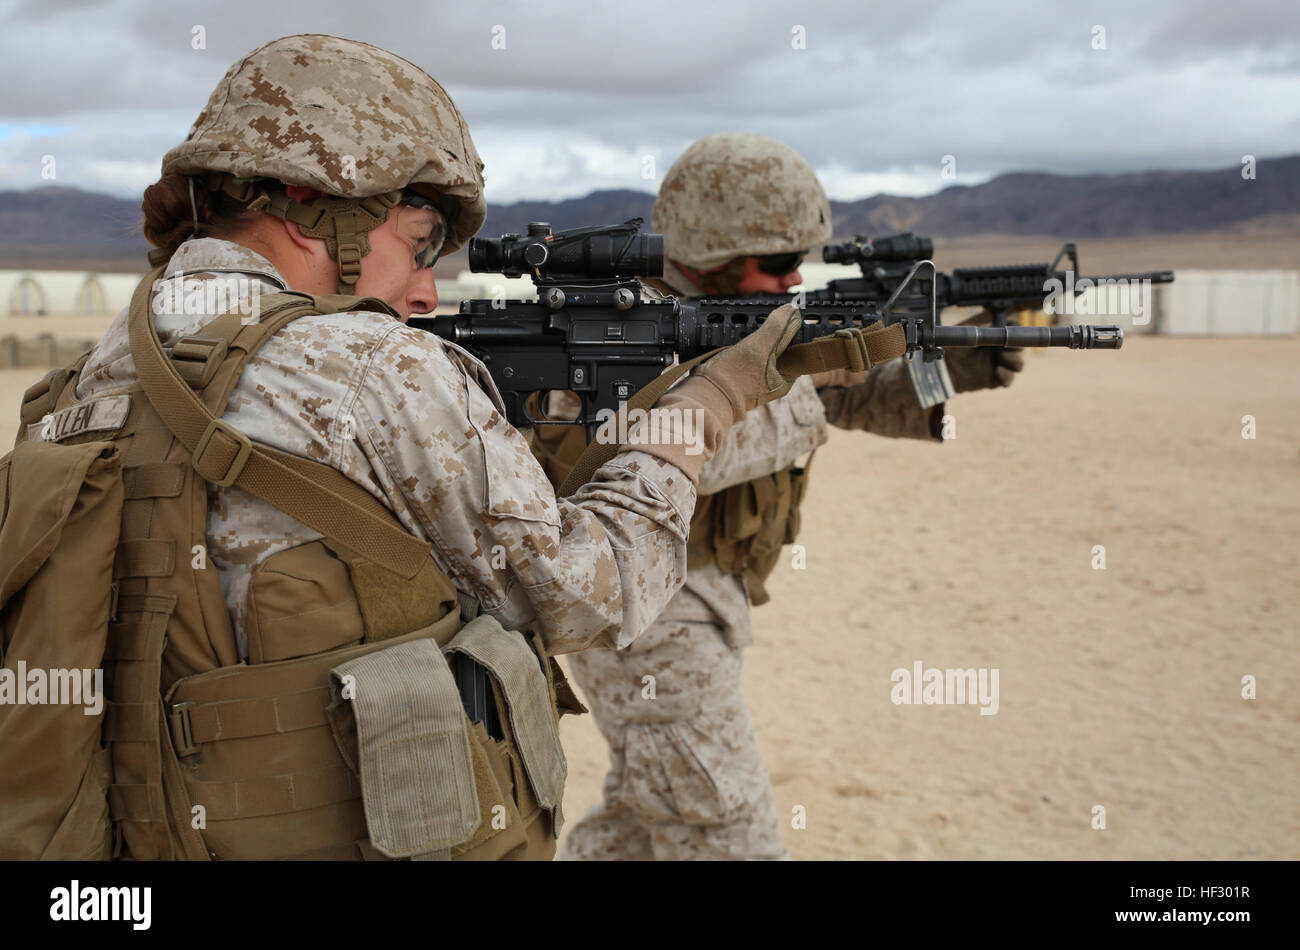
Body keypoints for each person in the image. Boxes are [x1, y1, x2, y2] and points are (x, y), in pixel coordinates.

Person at [0, 39, 809, 862]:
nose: (425, 289)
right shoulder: (374, 367)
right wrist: (701, 410)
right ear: (321, 203)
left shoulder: (83, 379)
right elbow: (584, 595)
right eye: (419, 241)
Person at [529, 132, 1023, 860]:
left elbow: (833, 396)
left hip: (703, 600)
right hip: (648, 619)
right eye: (780, 262)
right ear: (709, 253)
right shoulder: (622, 334)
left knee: (643, 820)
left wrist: (949, 371)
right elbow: (665, 452)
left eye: (803, 261)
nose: (797, 281)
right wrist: (806, 378)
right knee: (726, 830)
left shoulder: (753, 321)